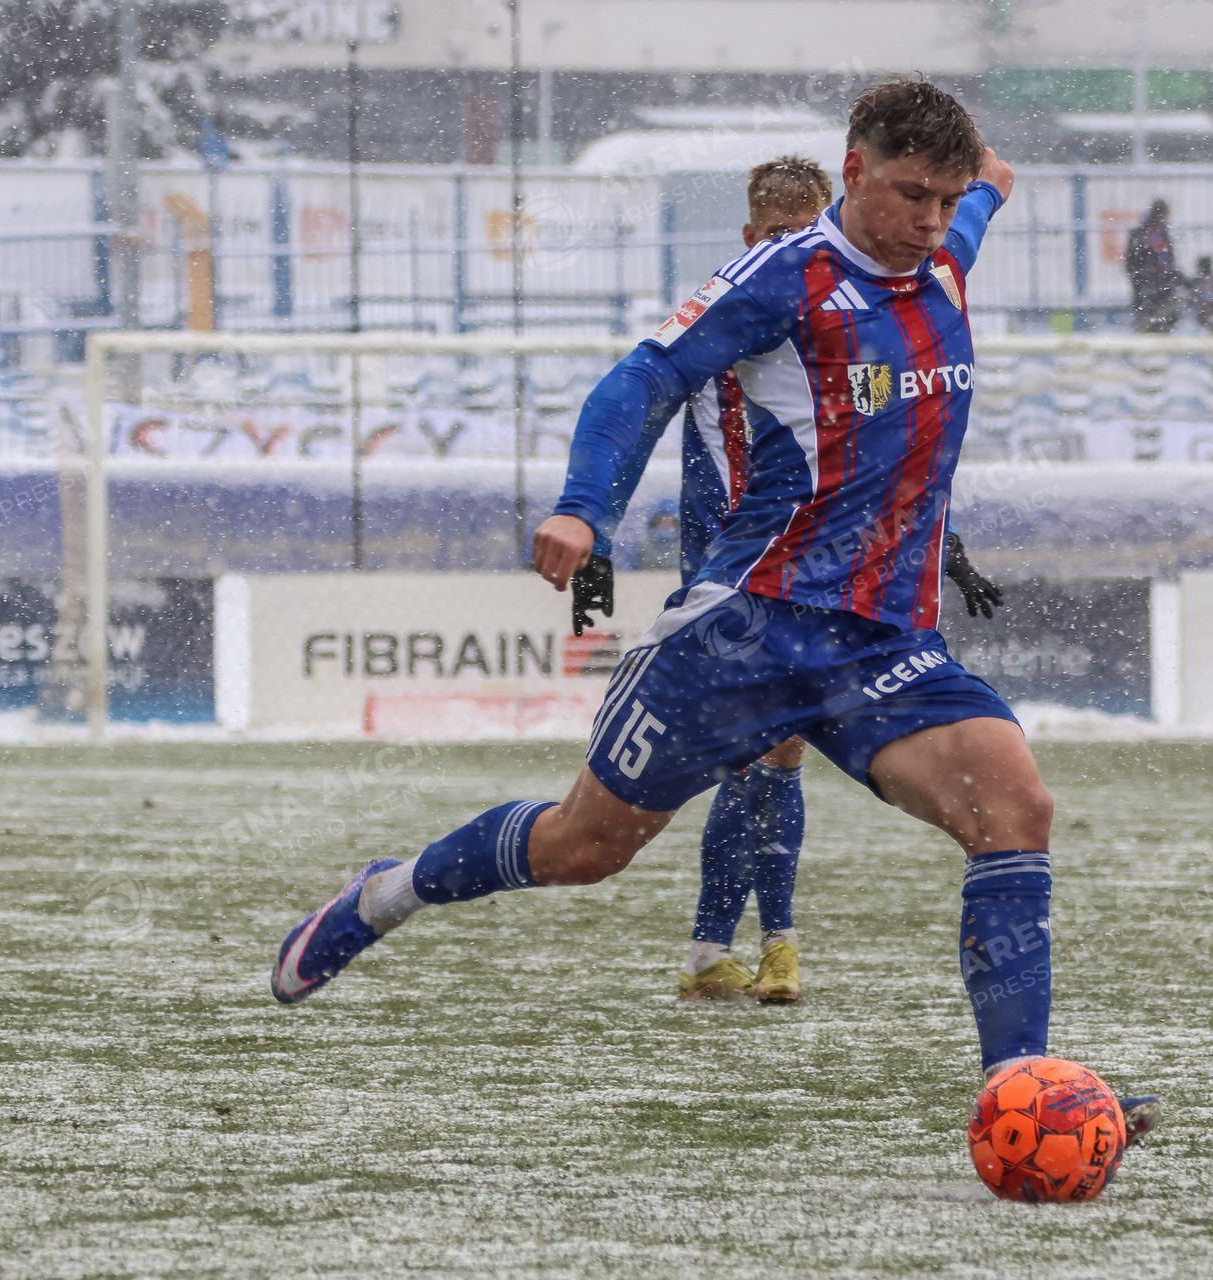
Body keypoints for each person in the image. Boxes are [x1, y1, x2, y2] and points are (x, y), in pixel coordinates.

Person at [272, 77, 1159, 1143]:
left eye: (946, 199)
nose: (932, 221)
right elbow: (639, 381)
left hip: (882, 640)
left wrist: (981, 173)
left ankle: (1023, 1087)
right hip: (745, 630)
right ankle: (385, 896)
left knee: (1013, 809)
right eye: (912, 195)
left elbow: (988, 184)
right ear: (855, 169)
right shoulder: (779, 280)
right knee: (583, 847)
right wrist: (583, 508)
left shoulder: (946, 249)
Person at [567, 155, 1008, 1003]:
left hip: (807, 568)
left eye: (803, 233)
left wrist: (944, 545)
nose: (791, 248)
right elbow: (644, 406)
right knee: (728, 771)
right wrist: (598, 534)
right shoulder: (736, 312)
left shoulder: (838, 313)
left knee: (778, 755)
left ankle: (759, 944)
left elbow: (877, 456)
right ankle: (729, 947)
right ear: (749, 235)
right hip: (730, 566)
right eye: (775, 234)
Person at [1125, 199, 1185, 334]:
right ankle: (1151, 334)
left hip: (1158, 283)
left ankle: (1155, 333)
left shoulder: (1159, 233)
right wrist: (1144, 277)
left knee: (1163, 314)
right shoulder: (1147, 234)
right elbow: (1133, 261)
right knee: (1152, 316)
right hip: (1149, 283)